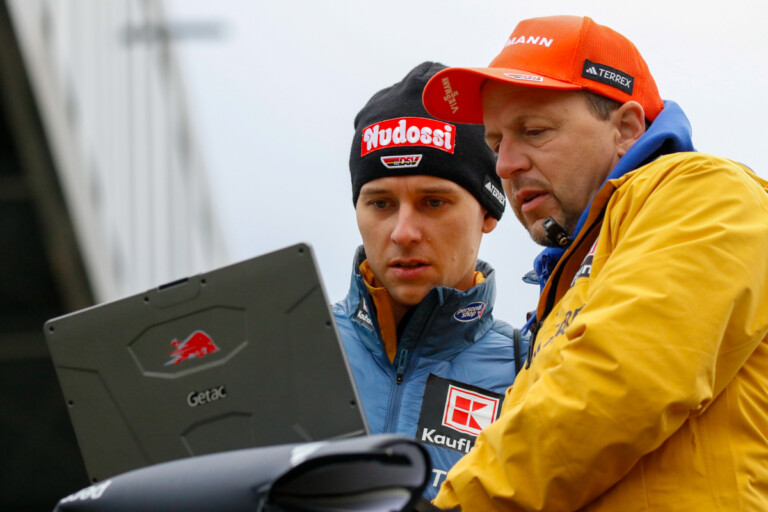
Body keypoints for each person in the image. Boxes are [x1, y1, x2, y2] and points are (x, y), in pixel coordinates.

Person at [420, 15, 768, 511]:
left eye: (533, 131)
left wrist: (455, 505)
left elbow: (617, 382)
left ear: (626, 128)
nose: (504, 165)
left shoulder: (708, 192)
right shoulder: (576, 268)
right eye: (496, 144)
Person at [333, 61, 528, 500]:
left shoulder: (533, 370)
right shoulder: (293, 344)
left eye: (434, 202)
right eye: (380, 204)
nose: (403, 232)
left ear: (488, 212)